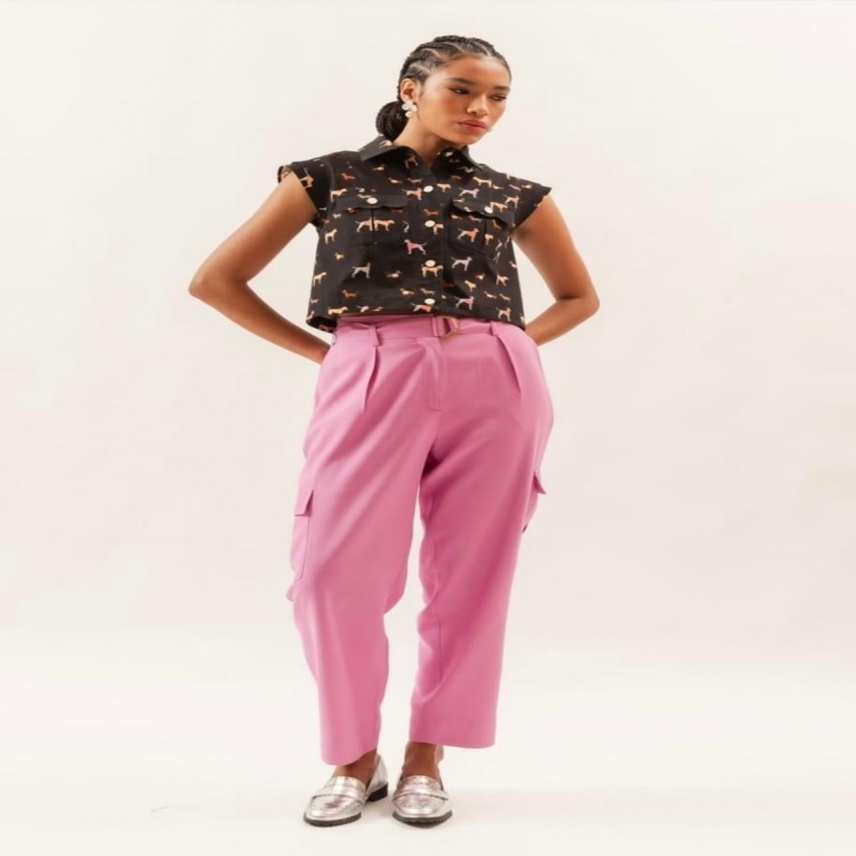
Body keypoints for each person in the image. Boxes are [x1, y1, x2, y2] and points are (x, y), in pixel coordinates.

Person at [189, 34, 599, 828]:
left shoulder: (515, 193)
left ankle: (426, 757)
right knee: (330, 572)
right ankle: (352, 756)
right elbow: (216, 280)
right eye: (462, 88)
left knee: (472, 575)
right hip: (371, 368)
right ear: (411, 88)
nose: (482, 108)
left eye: (498, 96)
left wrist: (511, 348)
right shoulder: (328, 177)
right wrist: (335, 354)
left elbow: (579, 296)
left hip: (498, 383)